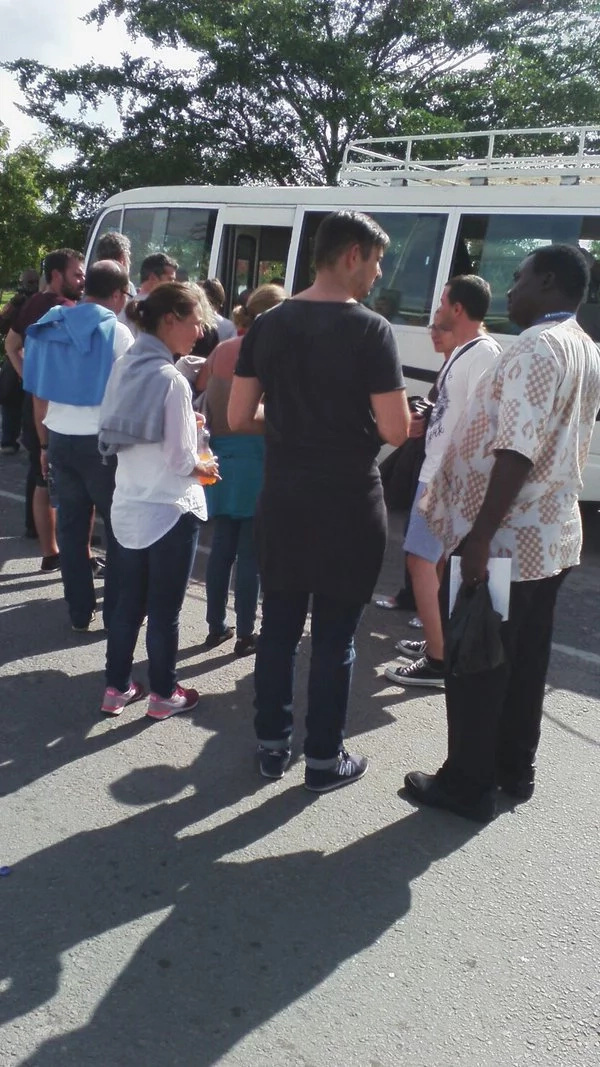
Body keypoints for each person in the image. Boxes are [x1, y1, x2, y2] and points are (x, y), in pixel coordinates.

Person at [404, 244, 600, 822]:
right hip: (554, 536)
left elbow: (516, 448)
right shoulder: (585, 345)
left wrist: (480, 538)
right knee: (523, 661)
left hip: (508, 541)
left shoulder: (538, 347)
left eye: (516, 278)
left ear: (547, 280)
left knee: (477, 663)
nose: (508, 290)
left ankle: (467, 785)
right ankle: (515, 769)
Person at [228, 210, 409, 791]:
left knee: (277, 630)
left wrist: (288, 423)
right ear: (352, 253)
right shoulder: (371, 330)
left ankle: (271, 746)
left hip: (284, 498)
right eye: (378, 261)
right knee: (335, 638)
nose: (378, 274)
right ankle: (324, 761)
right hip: (348, 503)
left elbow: (237, 416)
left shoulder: (269, 324)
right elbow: (396, 429)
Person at [98, 282, 219, 719]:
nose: (200, 329)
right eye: (194, 320)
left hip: (128, 504)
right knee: (165, 611)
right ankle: (163, 693)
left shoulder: (125, 364)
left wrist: (187, 421)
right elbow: (182, 459)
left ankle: (116, 688)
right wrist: (207, 465)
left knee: (127, 603)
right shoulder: (171, 380)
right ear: (170, 319)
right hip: (170, 509)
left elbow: (126, 429)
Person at [385, 276, 501, 688]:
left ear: (457, 308)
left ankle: (438, 660)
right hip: (438, 471)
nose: (437, 309)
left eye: (442, 302)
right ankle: (439, 641)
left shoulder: (483, 355)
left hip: (447, 478)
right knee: (430, 561)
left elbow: (484, 424)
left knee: (419, 560)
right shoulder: (466, 351)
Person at [23, 261, 133, 632]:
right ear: (117, 295)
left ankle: (78, 611)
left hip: (58, 437)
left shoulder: (50, 324)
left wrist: (43, 443)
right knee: (118, 529)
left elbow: (38, 393)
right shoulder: (118, 333)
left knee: (71, 529)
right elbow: (128, 398)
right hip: (102, 443)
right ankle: (117, 609)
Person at [199, 283, 286, 655]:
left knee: (222, 546)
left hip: (220, 455)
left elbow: (206, 392)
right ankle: (247, 631)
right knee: (251, 552)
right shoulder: (272, 354)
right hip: (256, 456)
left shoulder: (221, 349)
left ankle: (216, 624)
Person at [4, 249, 86, 569]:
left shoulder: (34, 304)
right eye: (77, 274)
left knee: (43, 475)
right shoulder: (55, 307)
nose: (82, 280)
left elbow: (10, 346)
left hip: (40, 399)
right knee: (47, 473)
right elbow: (12, 347)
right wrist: (34, 381)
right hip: (47, 405)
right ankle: (54, 551)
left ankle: (50, 549)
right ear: (56, 275)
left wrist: (30, 378)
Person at [374, 311, 454, 616]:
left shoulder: (468, 361)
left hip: (443, 472)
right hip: (425, 462)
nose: (433, 333)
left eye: (442, 328)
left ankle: (431, 613)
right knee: (414, 538)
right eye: (433, 327)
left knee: (431, 550)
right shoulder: (450, 364)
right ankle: (412, 599)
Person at [0, 269, 39, 455]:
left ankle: (33, 439)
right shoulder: (16, 302)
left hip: (34, 355)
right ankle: (8, 439)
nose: (30, 286)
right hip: (15, 353)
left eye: (33, 282)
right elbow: (2, 325)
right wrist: (14, 306)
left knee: (32, 399)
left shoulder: (41, 301)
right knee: (8, 396)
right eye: (28, 282)